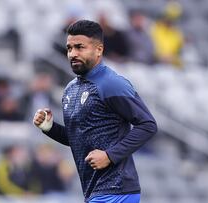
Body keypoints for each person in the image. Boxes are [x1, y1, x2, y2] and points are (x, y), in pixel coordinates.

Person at [33, 20, 157, 203]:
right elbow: (78, 139)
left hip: (117, 191)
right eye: (69, 48)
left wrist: (109, 156)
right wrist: (49, 128)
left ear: (98, 50)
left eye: (79, 47)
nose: (72, 54)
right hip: (94, 192)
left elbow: (147, 125)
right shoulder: (70, 90)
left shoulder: (112, 84)